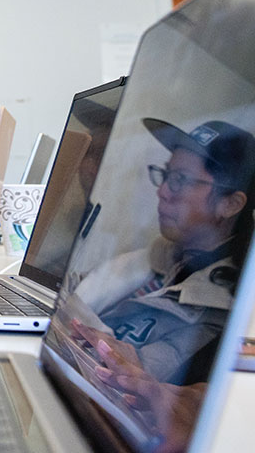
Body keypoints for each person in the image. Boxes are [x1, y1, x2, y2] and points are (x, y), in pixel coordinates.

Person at [70, 118, 255, 386]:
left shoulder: (225, 312)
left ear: (230, 204)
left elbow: (140, 381)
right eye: (166, 175)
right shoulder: (161, 257)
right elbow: (80, 285)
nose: (163, 191)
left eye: (180, 180)